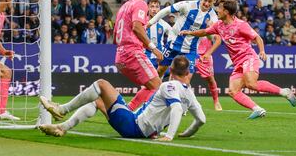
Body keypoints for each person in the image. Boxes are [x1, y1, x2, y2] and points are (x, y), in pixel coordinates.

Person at [39, 56, 206, 141]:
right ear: (188, 73)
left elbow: (176, 108)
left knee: (102, 84)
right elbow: (201, 120)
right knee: (98, 101)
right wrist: (186, 133)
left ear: (171, 69)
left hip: (134, 126)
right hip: (144, 130)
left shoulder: (168, 86)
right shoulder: (190, 95)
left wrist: (170, 135)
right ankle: (62, 127)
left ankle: (62, 110)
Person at [180, 0, 296, 119]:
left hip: (248, 57)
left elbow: (257, 38)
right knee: (232, 91)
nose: (217, 10)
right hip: (237, 63)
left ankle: (284, 92)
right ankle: (257, 109)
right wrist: (189, 32)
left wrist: (262, 51)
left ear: (226, 11)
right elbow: (204, 32)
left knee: (251, 83)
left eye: (219, 8)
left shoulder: (241, 25)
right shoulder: (219, 25)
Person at [148, 0, 220, 82]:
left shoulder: (213, 17)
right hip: (173, 43)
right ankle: (155, 92)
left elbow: (211, 38)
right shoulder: (188, 5)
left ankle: (175, 94)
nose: (206, 4)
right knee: (160, 70)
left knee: (186, 79)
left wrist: (209, 30)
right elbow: (166, 10)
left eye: (210, 1)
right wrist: (150, 23)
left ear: (214, 1)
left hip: (191, 49)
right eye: (205, 0)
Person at [114, 0, 163, 111]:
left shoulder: (124, 6)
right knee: (157, 86)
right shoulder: (140, 4)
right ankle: (142, 120)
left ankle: (128, 111)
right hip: (132, 53)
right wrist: (153, 48)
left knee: (151, 86)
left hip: (120, 55)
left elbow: (116, 33)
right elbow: (136, 27)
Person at [195, 32, 222, 111]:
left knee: (210, 79)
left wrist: (207, 30)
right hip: (192, 53)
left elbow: (212, 38)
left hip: (205, 55)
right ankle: (185, 102)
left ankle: (216, 101)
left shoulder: (211, 22)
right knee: (185, 77)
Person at [145, 0, 171, 69]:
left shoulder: (164, 24)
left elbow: (173, 37)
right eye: (152, 7)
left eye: (157, 7)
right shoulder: (142, 22)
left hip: (160, 58)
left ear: (160, 9)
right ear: (148, 8)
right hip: (146, 57)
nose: (154, 9)